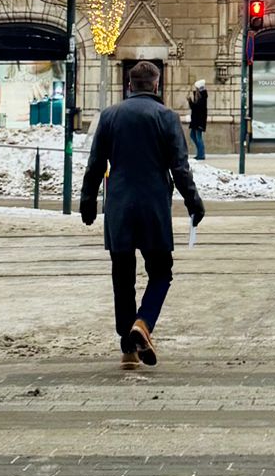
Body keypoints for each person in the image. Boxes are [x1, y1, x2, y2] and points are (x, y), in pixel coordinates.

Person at [80, 59, 205, 368]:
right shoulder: (166, 117)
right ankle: (144, 323)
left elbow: (96, 163)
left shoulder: (109, 116)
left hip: (119, 206)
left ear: (129, 85)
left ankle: (128, 348)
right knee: (161, 272)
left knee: (122, 277)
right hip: (153, 208)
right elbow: (179, 166)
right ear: (156, 84)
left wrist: (87, 199)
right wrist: (193, 200)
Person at [187, 78, 208, 161]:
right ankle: (199, 152)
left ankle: (201, 154)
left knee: (198, 137)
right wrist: (190, 101)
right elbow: (194, 108)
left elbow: (196, 108)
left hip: (199, 121)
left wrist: (190, 102)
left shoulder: (202, 98)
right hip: (196, 120)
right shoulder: (199, 97)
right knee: (193, 135)